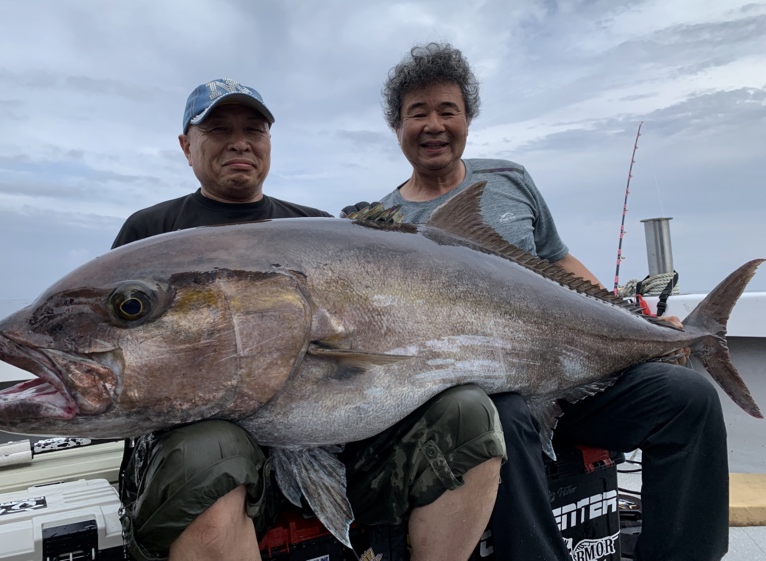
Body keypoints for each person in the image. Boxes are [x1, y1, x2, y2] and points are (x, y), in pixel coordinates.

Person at [343, 43, 729, 561]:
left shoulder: (509, 181)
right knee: (498, 415)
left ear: (467, 119)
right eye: (418, 113)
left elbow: (562, 264)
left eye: (447, 110)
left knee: (688, 399)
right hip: (486, 400)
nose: (433, 124)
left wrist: (642, 324)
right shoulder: (380, 226)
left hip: (573, 375)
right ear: (398, 127)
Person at [114, 78, 506, 561]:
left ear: (269, 143)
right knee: (211, 451)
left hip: (328, 438)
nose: (239, 141)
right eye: (218, 129)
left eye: (254, 130)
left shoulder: (315, 228)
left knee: (468, 411)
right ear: (186, 145)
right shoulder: (151, 233)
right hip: (219, 464)